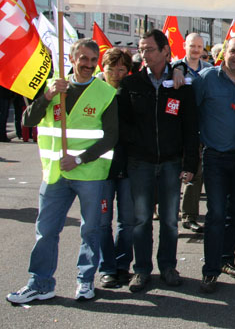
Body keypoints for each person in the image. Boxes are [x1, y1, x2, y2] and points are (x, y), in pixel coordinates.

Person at [7, 39, 118, 303]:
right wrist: (46, 96)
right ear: (71, 58)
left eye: (93, 60)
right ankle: (40, 283)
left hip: (90, 174)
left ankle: (85, 281)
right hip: (55, 174)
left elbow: (111, 136)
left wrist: (79, 160)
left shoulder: (106, 92)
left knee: (90, 231)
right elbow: (27, 121)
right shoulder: (53, 87)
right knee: (45, 230)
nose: (89, 65)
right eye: (84, 59)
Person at [118, 30, 199, 293]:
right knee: (141, 220)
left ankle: (167, 266)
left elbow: (190, 127)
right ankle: (141, 270)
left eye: (150, 49)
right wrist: (136, 146)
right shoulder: (131, 85)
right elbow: (123, 125)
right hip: (140, 162)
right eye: (141, 49)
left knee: (169, 220)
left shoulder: (181, 85)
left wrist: (190, 164)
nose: (144, 54)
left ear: (165, 51)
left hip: (171, 162)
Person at [193, 36, 235, 293]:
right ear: (224, 53)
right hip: (215, 156)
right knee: (216, 213)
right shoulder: (206, 79)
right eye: (233, 51)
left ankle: (226, 259)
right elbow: (192, 113)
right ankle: (210, 271)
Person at [96, 48, 135, 289]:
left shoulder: (132, 91)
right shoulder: (96, 93)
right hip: (101, 168)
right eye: (112, 69)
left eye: (122, 69)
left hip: (129, 166)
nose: (117, 74)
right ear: (104, 69)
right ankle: (107, 267)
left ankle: (123, 266)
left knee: (127, 222)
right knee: (102, 221)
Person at [172, 33, 213, 234]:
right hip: (177, 127)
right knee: (172, 173)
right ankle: (169, 214)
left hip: (201, 126)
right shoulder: (175, 67)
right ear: (184, 46)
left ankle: (189, 216)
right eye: (192, 45)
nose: (196, 49)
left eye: (199, 46)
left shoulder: (209, 70)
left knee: (196, 173)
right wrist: (175, 70)